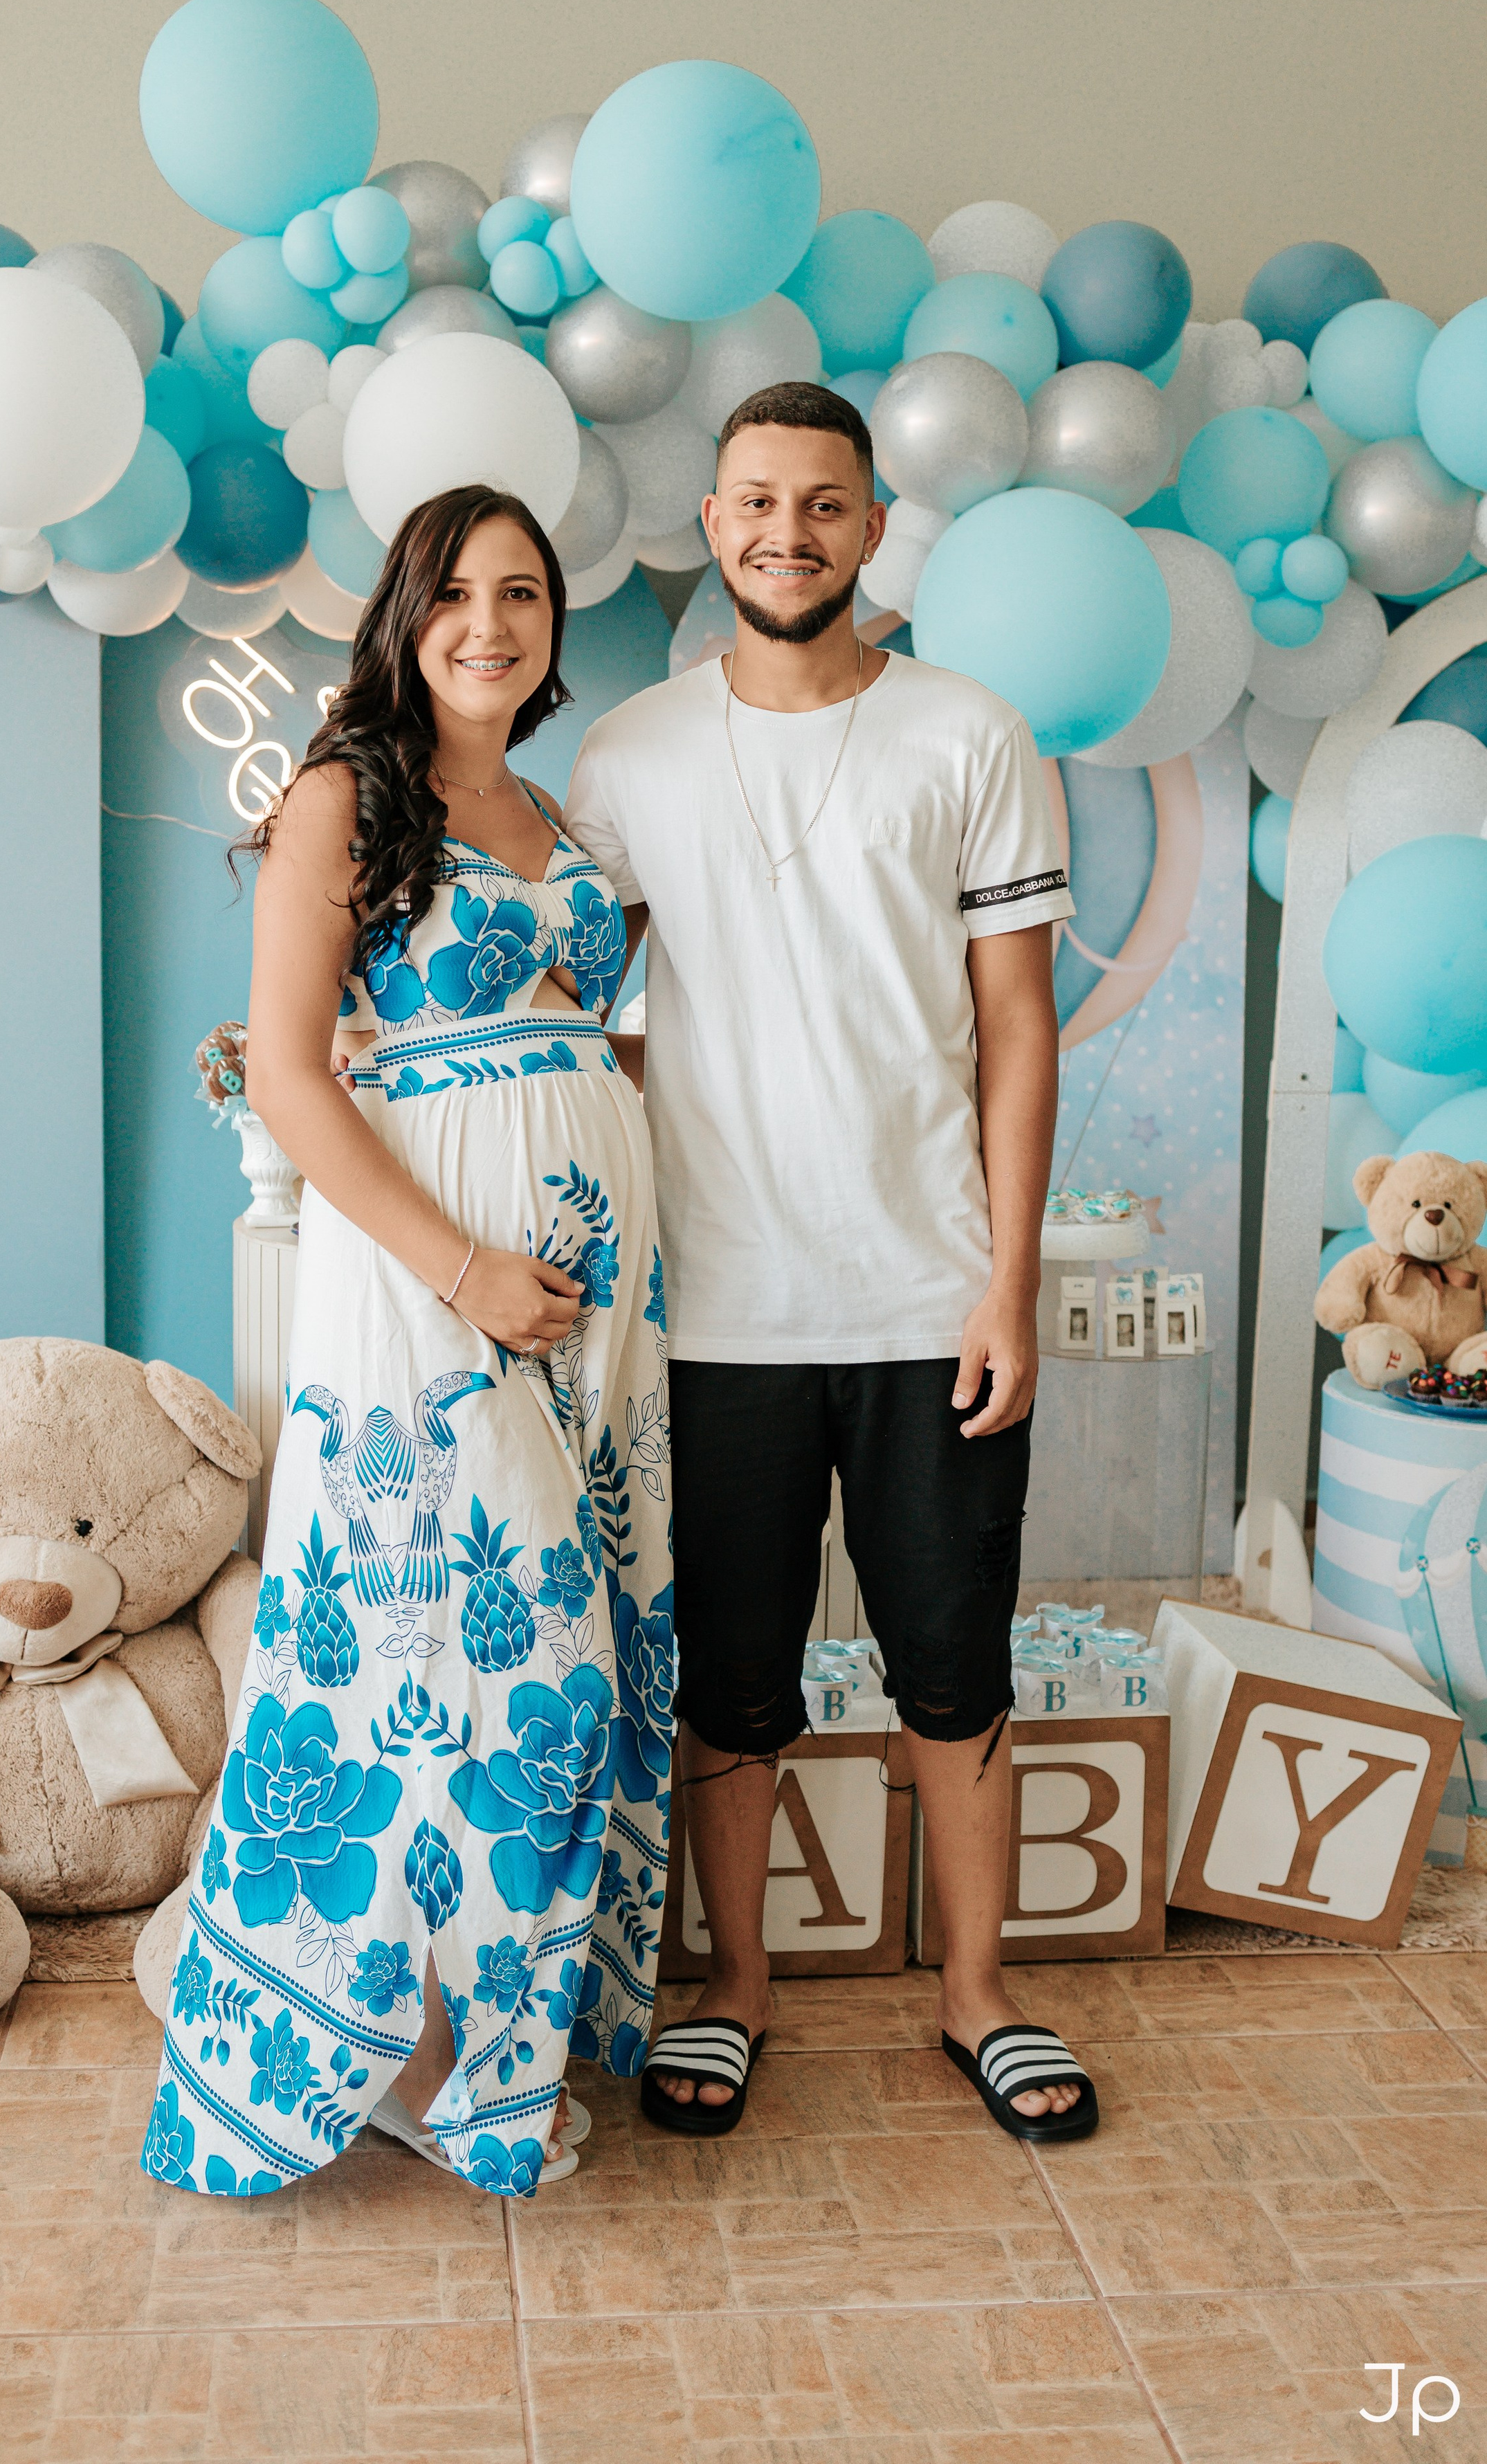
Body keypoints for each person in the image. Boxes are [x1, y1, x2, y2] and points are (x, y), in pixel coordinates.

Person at [565, 382, 1097, 2146]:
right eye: (752, 501)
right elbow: (580, 1024)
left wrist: (1007, 1283)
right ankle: (733, 1987)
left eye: (819, 503)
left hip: (928, 1300)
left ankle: (975, 1995)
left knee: (955, 1665)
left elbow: (1015, 1031)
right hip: (712, 1315)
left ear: (873, 528)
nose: (782, 531)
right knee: (732, 1676)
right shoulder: (628, 757)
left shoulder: (969, 735)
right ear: (709, 525)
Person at [143, 484, 673, 2202]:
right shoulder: (341, 798)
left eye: (521, 594)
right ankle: (403, 2061)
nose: (488, 626)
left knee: (567, 1649)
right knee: (455, 1656)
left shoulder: (550, 809)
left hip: (592, 1307)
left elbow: (590, 1042)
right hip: (428, 1294)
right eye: (454, 594)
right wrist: (465, 1269)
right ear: (403, 616)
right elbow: (293, 1077)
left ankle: (494, 2037)